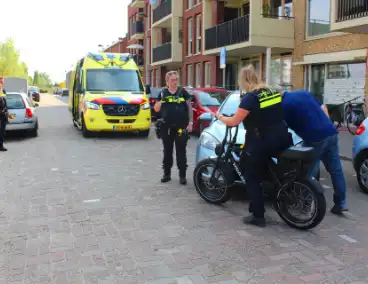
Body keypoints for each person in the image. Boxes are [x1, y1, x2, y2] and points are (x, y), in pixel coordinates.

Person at [214, 66, 290, 227]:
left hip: (261, 141)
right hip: (281, 137)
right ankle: (269, 192)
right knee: (263, 167)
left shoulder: (250, 97)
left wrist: (220, 116)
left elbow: (234, 121)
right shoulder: (271, 92)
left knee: (251, 177)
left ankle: (258, 216)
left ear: (243, 80)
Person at [281, 89, 347, 215]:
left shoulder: (284, 106)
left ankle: (305, 206)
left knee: (308, 171)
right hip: (330, 132)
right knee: (336, 170)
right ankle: (341, 203)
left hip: (314, 138)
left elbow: (282, 127)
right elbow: (323, 107)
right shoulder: (303, 93)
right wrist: (326, 123)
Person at [154, 71, 193, 185]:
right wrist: (161, 101)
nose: (175, 82)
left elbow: (189, 108)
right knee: (167, 152)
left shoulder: (183, 92)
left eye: (176, 79)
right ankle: (167, 174)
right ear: (167, 81)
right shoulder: (162, 93)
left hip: (181, 127)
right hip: (166, 127)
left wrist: (190, 123)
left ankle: (182, 176)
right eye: (172, 80)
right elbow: (156, 109)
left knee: (181, 153)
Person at [0, 77, 8, 151]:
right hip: (1, 113)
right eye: (2, 81)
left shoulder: (3, 90)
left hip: (3, 113)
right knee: (1, 131)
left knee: (2, 131)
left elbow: (4, 101)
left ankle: (1, 145)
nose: (2, 82)